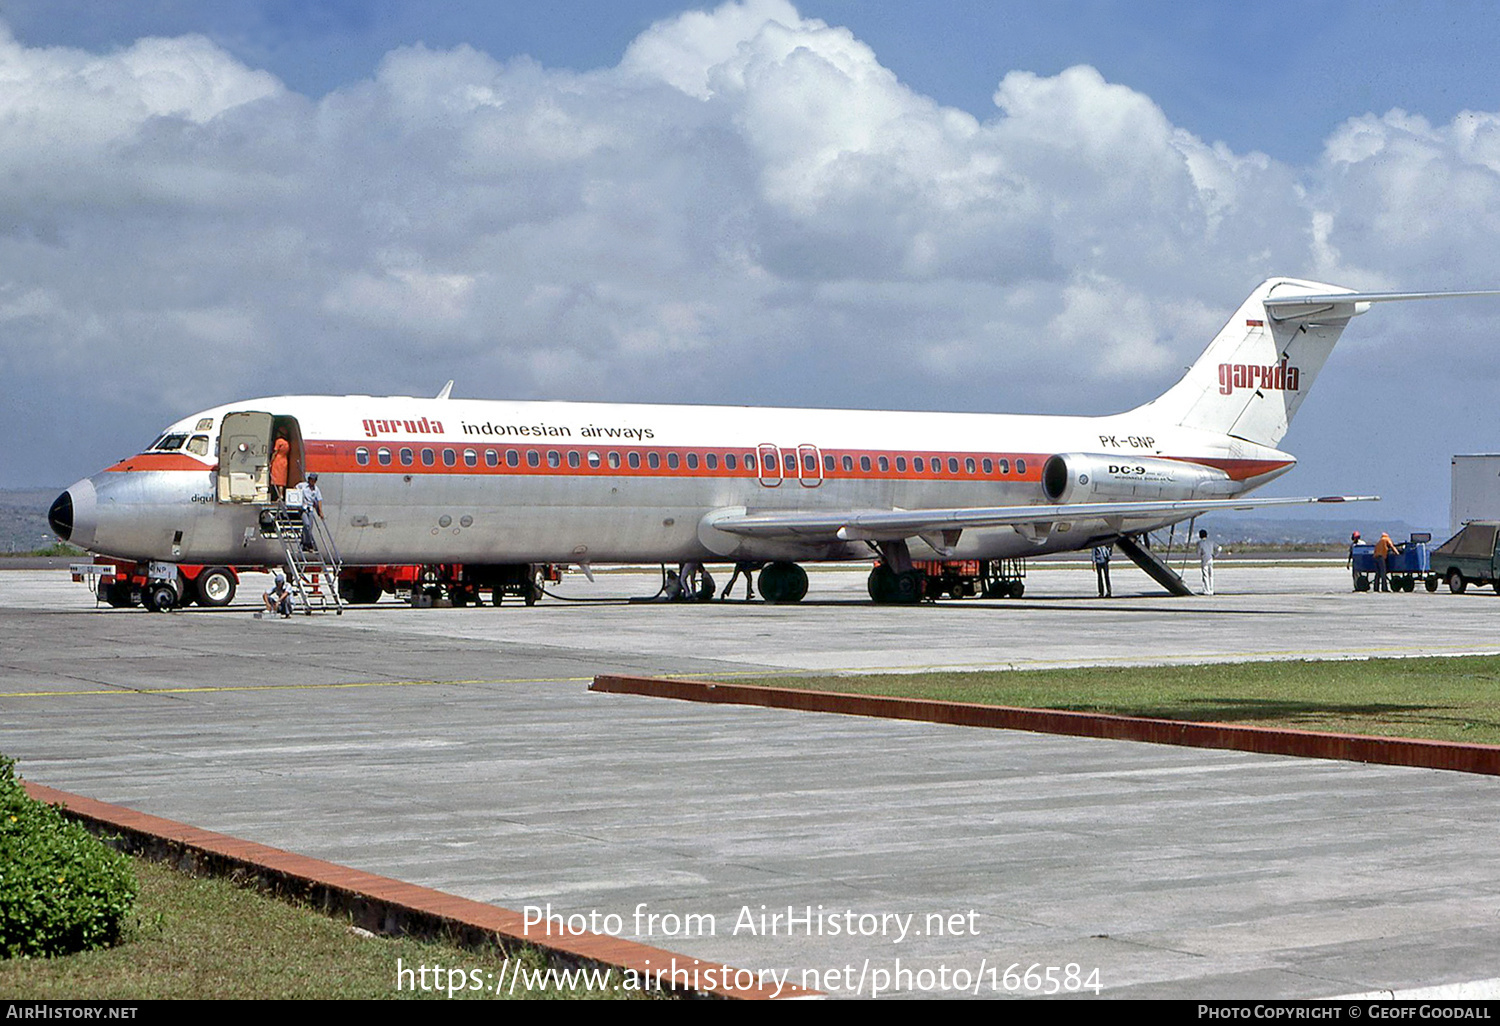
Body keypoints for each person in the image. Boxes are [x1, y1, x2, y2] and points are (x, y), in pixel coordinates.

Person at [291, 473, 325, 552]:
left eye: (313, 480)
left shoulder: (316, 490)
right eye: (311, 480)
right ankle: (308, 543)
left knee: (309, 527)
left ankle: (305, 543)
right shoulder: (302, 486)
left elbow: (319, 500)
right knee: (306, 525)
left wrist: (320, 511)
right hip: (303, 509)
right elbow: (294, 489)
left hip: (310, 509)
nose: (312, 482)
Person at [268, 436, 290, 501]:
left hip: (278, 460)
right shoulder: (287, 443)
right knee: (282, 480)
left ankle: (274, 495)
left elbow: (275, 451)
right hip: (284, 461)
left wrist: (271, 461)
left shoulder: (279, 441)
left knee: (275, 478)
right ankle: (281, 494)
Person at [1197, 529, 1217, 595]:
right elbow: (1219, 548)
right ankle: (1211, 589)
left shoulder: (1200, 543)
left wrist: (1200, 555)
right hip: (1211, 558)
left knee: (1205, 575)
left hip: (1204, 558)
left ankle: (1207, 590)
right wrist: (1215, 555)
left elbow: (1198, 552)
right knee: (1211, 575)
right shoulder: (1211, 541)